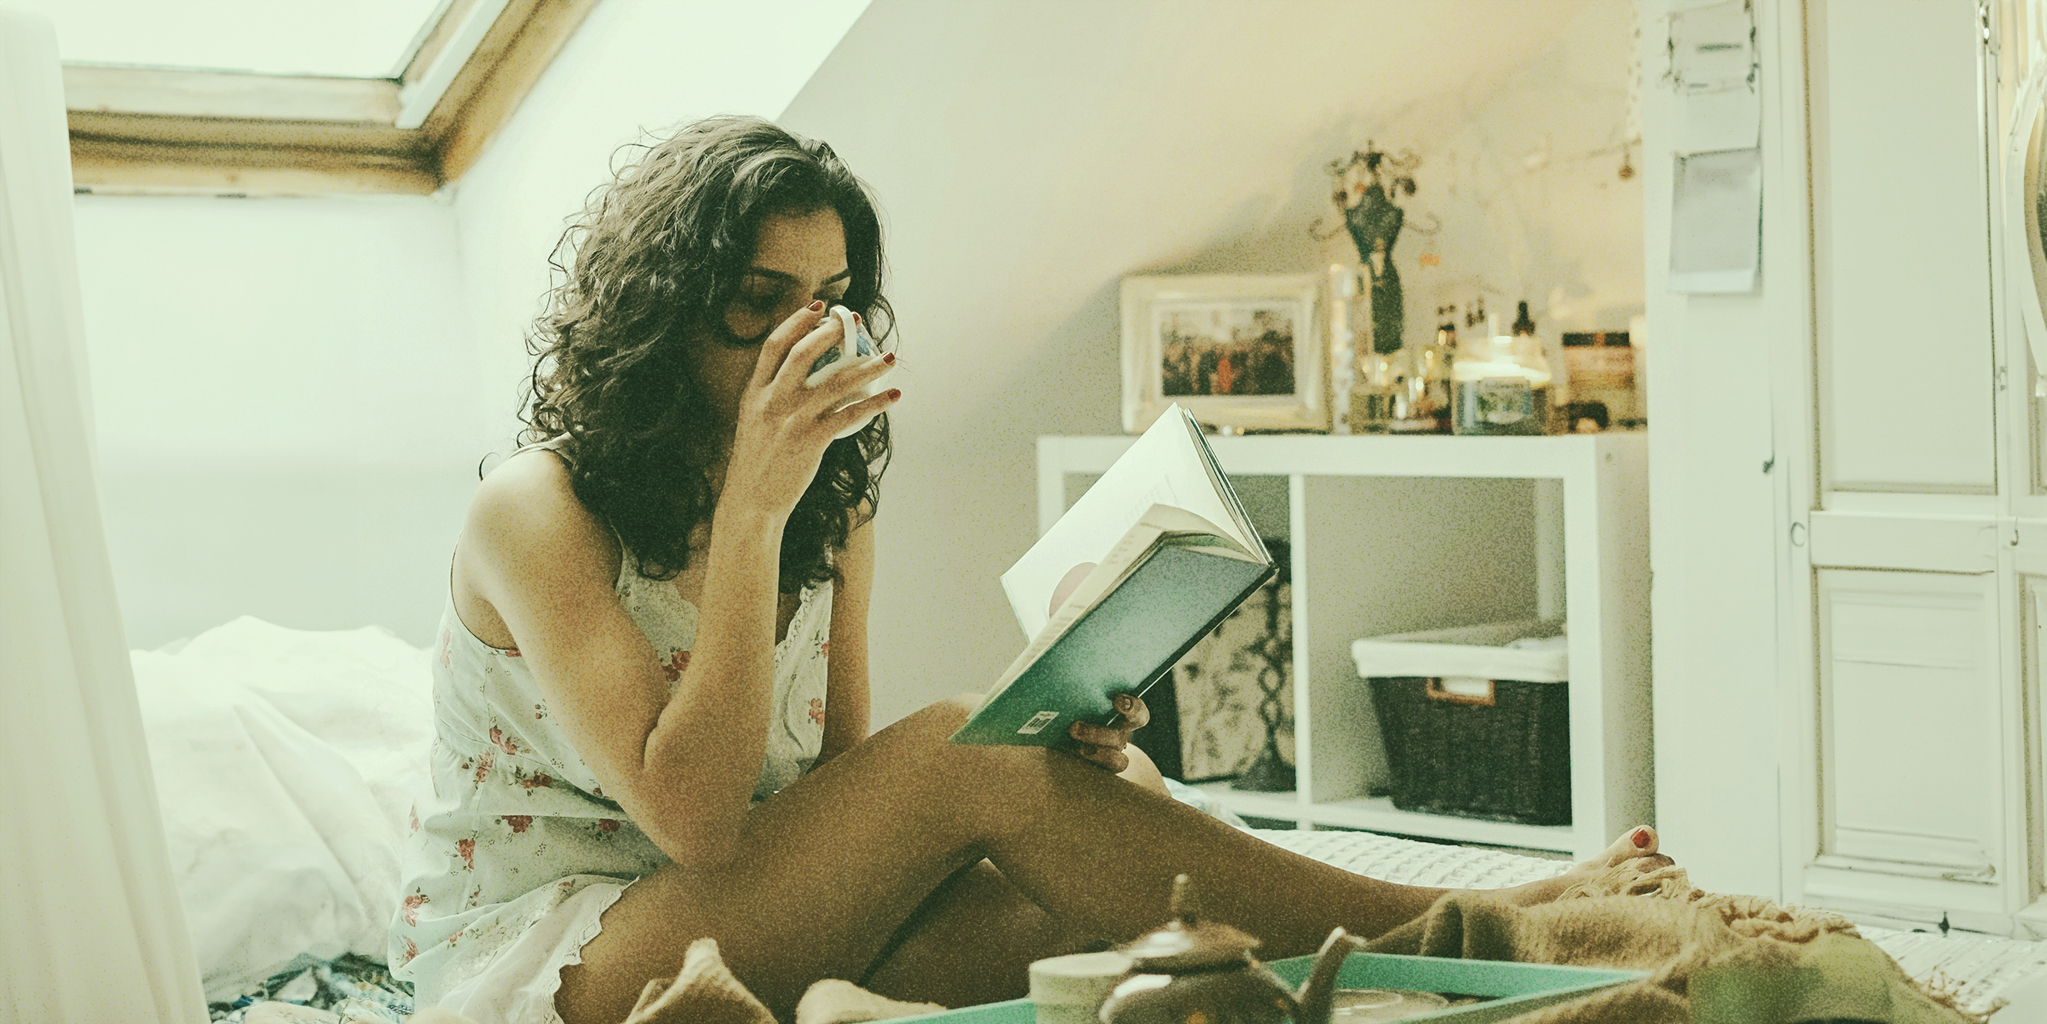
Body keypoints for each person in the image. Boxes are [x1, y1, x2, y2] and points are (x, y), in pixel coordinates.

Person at [388, 115, 1673, 1024]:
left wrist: (1051, 731)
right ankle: (1474, 925)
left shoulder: (833, 492)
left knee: (1095, 904)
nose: (808, 336)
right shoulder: (537, 511)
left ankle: (1421, 967)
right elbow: (698, 821)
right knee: (971, 753)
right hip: (566, 957)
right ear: (665, 312)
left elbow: (832, 797)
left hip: (739, 910)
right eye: (758, 297)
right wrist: (748, 518)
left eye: (831, 296)